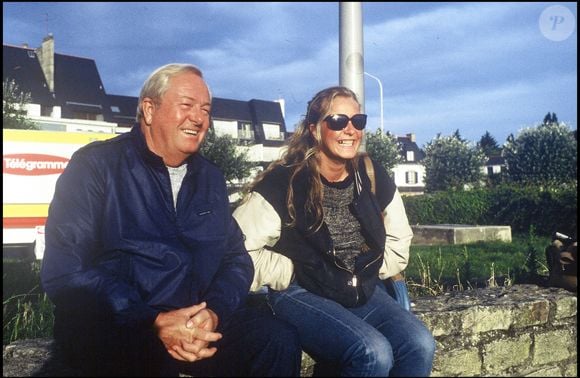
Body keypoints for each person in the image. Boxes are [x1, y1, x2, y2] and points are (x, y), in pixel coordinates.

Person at [40, 63, 301, 377]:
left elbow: (236, 260)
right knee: (151, 361)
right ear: (149, 110)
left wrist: (214, 313)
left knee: (276, 340)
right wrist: (151, 320)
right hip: (122, 323)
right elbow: (64, 270)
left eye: (205, 109)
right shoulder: (97, 166)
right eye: (187, 106)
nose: (199, 118)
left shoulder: (210, 179)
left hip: (195, 322)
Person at [233, 86, 436, 376]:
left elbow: (399, 237)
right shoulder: (284, 184)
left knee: (420, 343)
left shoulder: (370, 174)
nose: (350, 130)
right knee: (372, 353)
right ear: (315, 129)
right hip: (301, 291)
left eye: (358, 121)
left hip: (356, 289)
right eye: (338, 121)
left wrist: (367, 270)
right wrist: (287, 271)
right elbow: (236, 250)